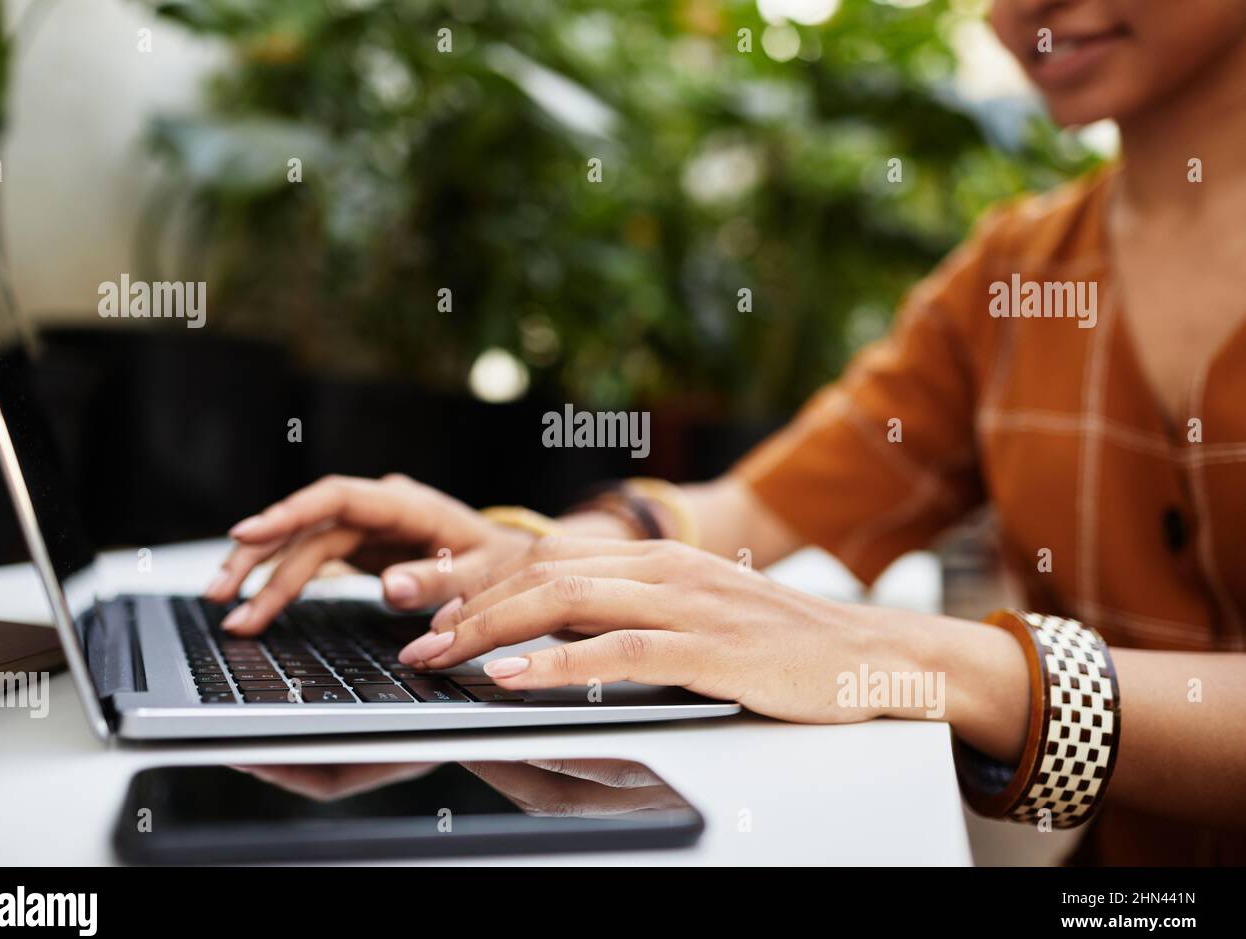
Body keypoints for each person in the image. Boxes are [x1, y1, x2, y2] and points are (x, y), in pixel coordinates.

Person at [205, 0, 1246, 865]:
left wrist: (919, 657)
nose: (1024, 9)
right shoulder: (1012, 275)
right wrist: (545, 561)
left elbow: (881, 635)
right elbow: (750, 507)